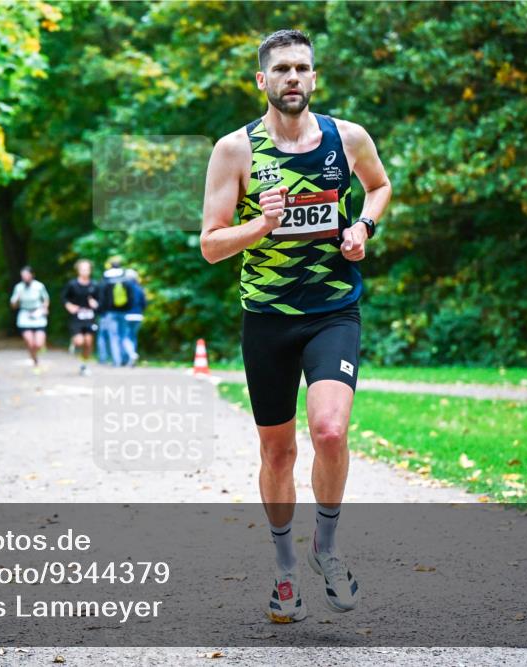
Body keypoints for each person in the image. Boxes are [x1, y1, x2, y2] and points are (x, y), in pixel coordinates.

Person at [200, 29, 391, 622]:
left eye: (301, 68)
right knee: (277, 451)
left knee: (331, 431)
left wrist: (363, 227)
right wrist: (260, 225)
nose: (291, 77)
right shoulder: (235, 151)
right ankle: (285, 572)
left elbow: (379, 187)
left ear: (314, 77)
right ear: (262, 81)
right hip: (267, 320)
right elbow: (210, 244)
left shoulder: (346, 137)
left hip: (333, 309)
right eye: (280, 68)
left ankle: (326, 552)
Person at [62, 259, 99, 376]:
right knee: (80, 341)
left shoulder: (94, 285)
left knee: (88, 342)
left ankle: (84, 365)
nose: (85, 271)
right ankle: (74, 342)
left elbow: (101, 300)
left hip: (89, 317)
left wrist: (95, 304)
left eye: (87, 269)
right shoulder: (72, 284)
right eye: (82, 269)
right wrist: (69, 306)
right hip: (76, 317)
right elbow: (64, 298)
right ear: (78, 270)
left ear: (90, 270)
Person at [10, 266, 50, 370]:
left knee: (38, 343)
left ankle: (36, 353)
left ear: (32, 275)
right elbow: (13, 305)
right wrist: (17, 299)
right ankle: (34, 358)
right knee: (30, 341)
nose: (25, 277)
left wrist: (45, 309)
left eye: (27, 275)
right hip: (24, 315)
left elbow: (45, 299)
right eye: (23, 276)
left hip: (37, 313)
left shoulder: (39, 286)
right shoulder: (18, 287)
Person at [96, 257, 133, 367]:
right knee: (124, 335)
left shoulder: (106, 278)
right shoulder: (124, 277)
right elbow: (131, 296)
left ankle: (116, 361)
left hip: (110, 312)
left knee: (113, 336)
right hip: (124, 311)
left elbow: (101, 297)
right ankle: (127, 357)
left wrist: (100, 311)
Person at [121, 269, 146, 367]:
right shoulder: (140, 288)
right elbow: (144, 303)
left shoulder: (124, 287)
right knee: (133, 337)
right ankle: (131, 359)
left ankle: (130, 355)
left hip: (126, 315)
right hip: (138, 315)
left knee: (125, 337)